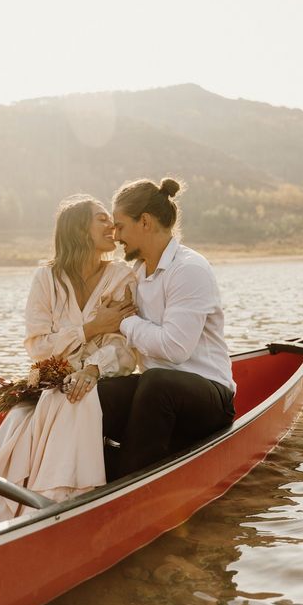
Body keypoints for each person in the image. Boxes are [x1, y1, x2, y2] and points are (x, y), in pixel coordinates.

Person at [0, 195, 137, 539]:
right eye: (102, 219)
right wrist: (90, 329)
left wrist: (90, 369)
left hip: (98, 378)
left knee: (70, 400)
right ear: (79, 230)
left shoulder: (121, 277)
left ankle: (52, 504)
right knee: (18, 419)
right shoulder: (46, 279)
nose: (113, 227)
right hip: (50, 379)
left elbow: (123, 347)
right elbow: (37, 345)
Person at [97, 177, 236, 477]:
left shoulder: (188, 270)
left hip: (210, 399)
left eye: (120, 226)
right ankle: (92, 481)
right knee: (100, 394)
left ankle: (128, 485)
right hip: (159, 398)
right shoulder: (134, 273)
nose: (115, 235)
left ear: (144, 222)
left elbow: (175, 349)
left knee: (157, 383)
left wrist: (125, 321)